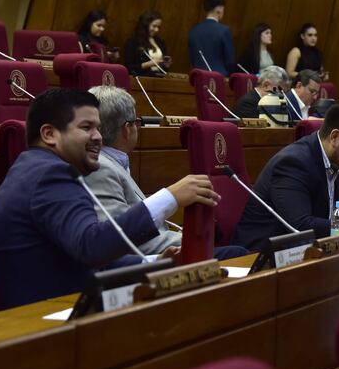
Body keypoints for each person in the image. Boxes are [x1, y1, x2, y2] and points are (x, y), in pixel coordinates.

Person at [0, 89, 214, 308]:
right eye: (86, 127)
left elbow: (79, 257)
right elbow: (92, 247)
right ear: (49, 134)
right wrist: (170, 197)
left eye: (99, 128)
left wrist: (155, 262)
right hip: (39, 317)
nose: (98, 137)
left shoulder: (37, 167)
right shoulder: (51, 175)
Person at [84, 86, 248, 259]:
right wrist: (187, 240)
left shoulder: (113, 161)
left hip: (157, 249)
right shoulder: (100, 167)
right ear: (127, 129)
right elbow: (120, 237)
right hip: (148, 259)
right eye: (137, 123)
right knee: (237, 254)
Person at [232, 103, 339, 251]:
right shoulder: (293, 163)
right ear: (335, 137)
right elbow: (301, 225)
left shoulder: (338, 162)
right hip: (259, 256)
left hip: (308, 252)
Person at [188, 0, 235, 76]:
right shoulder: (224, 30)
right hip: (218, 76)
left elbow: (192, 58)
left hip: (198, 75)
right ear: (219, 10)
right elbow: (229, 61)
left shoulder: (194, 30)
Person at [124, 10, 171, 77]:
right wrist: (149, 64)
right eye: (154, 26)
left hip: (159, 78)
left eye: (158, 27)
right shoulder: (133, 42)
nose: (157, 30)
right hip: (142, 78)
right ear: (145, 25)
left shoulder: (161, 42)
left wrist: (166, 65)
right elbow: (128, 67)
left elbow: (163, 69)